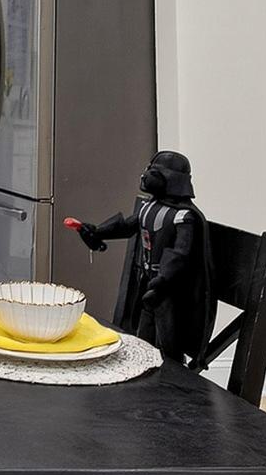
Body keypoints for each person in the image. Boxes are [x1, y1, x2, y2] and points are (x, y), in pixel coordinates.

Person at [65, 151, 213, 363]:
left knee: (168, 341)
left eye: (155, 173)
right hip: (147, 284)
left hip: (168, 290)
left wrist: (162, 281)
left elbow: (180, 254)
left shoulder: (184, 217)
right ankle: (143, 366)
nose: (147, 177)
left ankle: (170, 375)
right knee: (144, 333)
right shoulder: (149, 208)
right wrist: (97, 231)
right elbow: (126, 226)